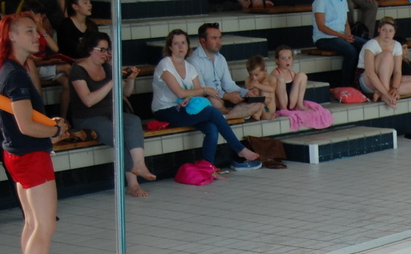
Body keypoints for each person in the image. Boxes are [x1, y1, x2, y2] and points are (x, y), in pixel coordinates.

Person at [0, 13, 73, 254]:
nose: (37, 36)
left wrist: (49, 126)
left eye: (36, 31)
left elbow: (18, 120)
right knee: (45, 225)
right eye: (29, 31)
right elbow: (26, 125)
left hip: (16, 154)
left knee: (33, 223)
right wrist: (55, 131)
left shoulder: (6, 67)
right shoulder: (15, 74)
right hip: (30, 155)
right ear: (11, 36)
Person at [150, 29, 262, 169]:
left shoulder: (190, 68)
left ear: (188, 45)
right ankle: (239, 149)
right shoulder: (165, 64)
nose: (180, 47)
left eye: (183, 43)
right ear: (170, 47)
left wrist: (190, 97)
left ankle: (207, 168)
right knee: (211, 112)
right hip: (165, 110)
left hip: (184, 108)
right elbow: (180, 92)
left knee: (211, 127)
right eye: (176, 43)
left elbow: (196, 93)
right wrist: (204, 90)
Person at [69, 32, 156, 197]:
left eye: (107, 49)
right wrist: (113, 81)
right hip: (88, 118)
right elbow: (88, 101)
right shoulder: (78, 71)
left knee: (133, 121)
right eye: (101, 50)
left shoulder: (107, 68)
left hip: (111, 114)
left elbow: (126, 93)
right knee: (119, 133)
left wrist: (130, 79)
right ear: (89, 49)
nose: (106, 54)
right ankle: (133, 184)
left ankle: (139, 163)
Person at [187, 23, 264, 120]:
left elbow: (229, 85)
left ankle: (225, 116)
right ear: (203, 41)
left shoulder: (221, 58)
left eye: (220, 38)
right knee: (214, 102)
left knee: (257, 103)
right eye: (214, 38)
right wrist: (226, 96)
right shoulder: (194, 60)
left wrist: (246, 93)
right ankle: (234, 114)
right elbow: (202, 89)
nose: (219, 42)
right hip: (208, 99)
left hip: (223, 98)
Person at [356, 16, 411, 108]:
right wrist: (387, 93)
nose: (387, 34)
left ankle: (381, 93)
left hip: (386, 79)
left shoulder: (397, 45)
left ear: (394, 32)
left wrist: (395, 88)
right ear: (379, 30)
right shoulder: (371, 45)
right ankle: (385, 94)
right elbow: (370, 73)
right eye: (384, 30)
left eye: (390, 30)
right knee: (387, 55)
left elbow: (397, 71)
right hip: (367, 80)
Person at [23, 0, 71, 119]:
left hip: (45, 65)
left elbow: (55, 48)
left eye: (40, 15)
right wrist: (49, 62)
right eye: (35, 15)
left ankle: (64, 117)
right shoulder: (25, 33)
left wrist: (42, 31)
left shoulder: (41, 31)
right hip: (34, 68)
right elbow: (31, 59)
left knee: (67, 82)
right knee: (67, 68)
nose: (38, 18)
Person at [313, 0, 368, 87]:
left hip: (341, 36)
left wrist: (348, 36)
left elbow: (346, 24)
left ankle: (362, 82)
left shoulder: (343, 1)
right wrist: (342, 36)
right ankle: (346, 86)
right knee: (351, 51)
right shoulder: (321, 1)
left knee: (366, 45)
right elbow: (321, 26)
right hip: (324, 38)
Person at [271, 46, 309, 111]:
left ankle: (299, 104)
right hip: (280, 102)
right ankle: (283, 108)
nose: (287, 61)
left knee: (302, 75)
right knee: (280, 78)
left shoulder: (292, 73)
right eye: (283, 58)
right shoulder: (274, 73)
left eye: (289, 58)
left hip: (292, 102)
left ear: (292, 59)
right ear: (277, 61)